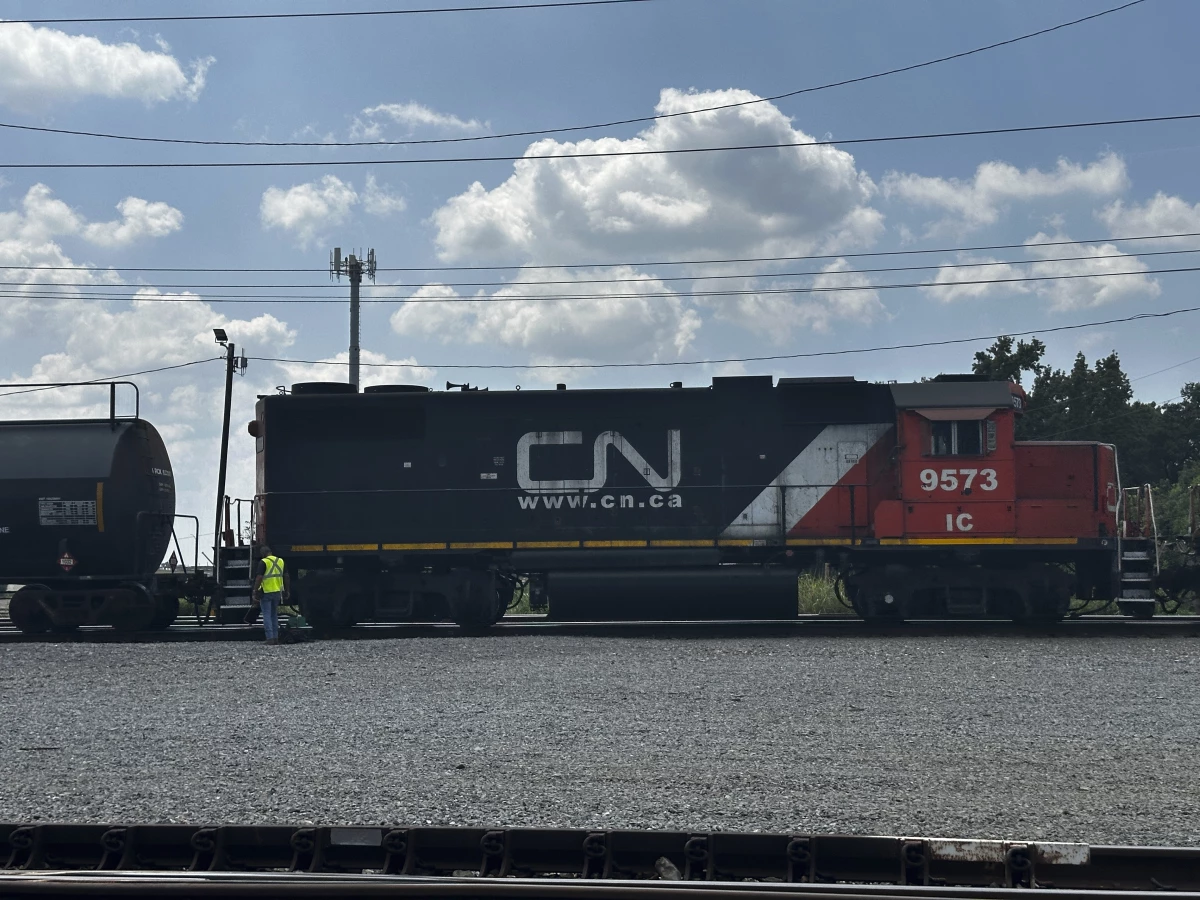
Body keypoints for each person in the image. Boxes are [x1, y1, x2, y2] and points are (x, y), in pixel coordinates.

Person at [251, 545, 291, 645]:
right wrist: (287, 590)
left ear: (263, 554)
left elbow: (259, 577)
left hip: (266, 592)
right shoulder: (280, 561)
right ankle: (276, 638)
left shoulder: (264, 562)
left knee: (267, 615)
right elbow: (286, 576)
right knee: (274, 615)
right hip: (277, 592)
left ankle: (270, 638)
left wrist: (255, 590)